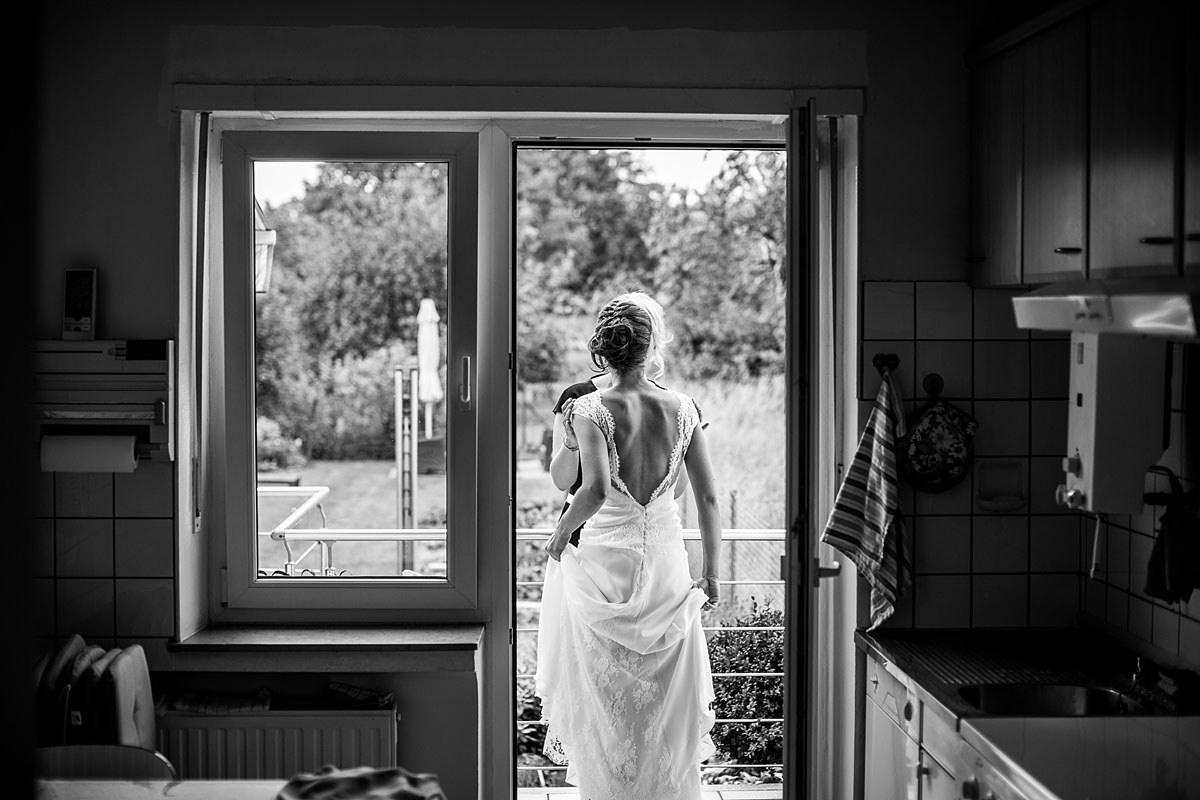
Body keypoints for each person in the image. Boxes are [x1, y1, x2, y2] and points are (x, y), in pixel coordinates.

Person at [535, 294, 722, 800]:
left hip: (604, 564)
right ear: (651, 347)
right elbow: (703, 496)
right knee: (665, 696)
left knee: (606, 697)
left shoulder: (588, 408)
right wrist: (713, 574)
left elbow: (591, 491)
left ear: (602, 353)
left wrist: (557, 537)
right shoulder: (684, 408)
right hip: (665, 561)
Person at [548, 292, 698, 546]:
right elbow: (562, 482)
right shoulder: (577, 398)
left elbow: (675, 490)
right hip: (578, 530)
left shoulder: (673, 406)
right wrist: (570, 443)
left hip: (641, 532)